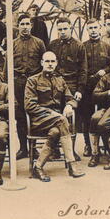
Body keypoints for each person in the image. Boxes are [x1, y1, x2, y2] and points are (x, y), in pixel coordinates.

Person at [24, 51, 85, 182]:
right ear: (41, 63)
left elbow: (71, 98)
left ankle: (38, 167)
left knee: (56, 132)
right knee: (62, 120)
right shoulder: (32, 80)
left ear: (56, 63)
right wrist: (51, 113)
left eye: (52, 62)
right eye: (47, 61)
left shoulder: (60, 80)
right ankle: (71, 163)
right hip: (39, 121)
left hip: (56, 123)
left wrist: (69, 105)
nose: (50, 64)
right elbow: (29, 106)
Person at [48, 17, 87, 159]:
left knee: (71, 118)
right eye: (60, 29)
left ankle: (70, 150)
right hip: (55, 84)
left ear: (70, 28)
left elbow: (83, 70)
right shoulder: (52, 45)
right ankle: (54, 149)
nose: (63, 32)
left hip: (71, 85)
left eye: (65, 29)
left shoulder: (79, 46)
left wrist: (80, 90)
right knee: (54, 114)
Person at [13, 13, 46, 159]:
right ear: (18, 26)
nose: (25, 27)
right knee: (19, 116)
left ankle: (34, 148)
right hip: (18, 83)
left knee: (34, 114)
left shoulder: (39, 43)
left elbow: (44, 64)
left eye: (27, 24)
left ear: (31, 26)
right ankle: (23, 148)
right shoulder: (12, 43)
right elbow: (7, 68)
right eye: (22, 24)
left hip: (34, 84)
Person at [81, 18, 110, 157]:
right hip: (88, 87)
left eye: (95, 27)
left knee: (103, 116)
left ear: (100, 28)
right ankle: (88, 146)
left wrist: (105, 71)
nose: (93, 31)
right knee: (87, 117)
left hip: (103, 88)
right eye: (90, 28)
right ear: (87, 30)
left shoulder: (107, 47)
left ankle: (107, 145)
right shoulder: (82, 46)